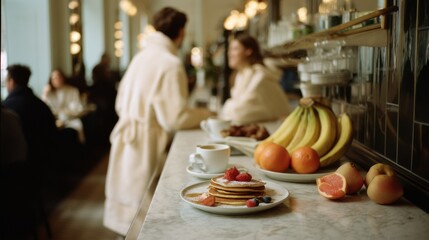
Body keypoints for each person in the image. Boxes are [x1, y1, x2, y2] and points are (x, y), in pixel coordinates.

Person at [103, 7, 213, 236]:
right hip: (146, 144)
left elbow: (120, 102)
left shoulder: (140, 57)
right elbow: (175, 118)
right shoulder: (170, 63)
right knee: (145, 218)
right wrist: (205, 114)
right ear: (181, 32)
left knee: (128, 217)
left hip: (127, 139)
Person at [220, 34, 291, 123]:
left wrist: (228, 106)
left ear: (248, 51)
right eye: (230, 49)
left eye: (235, 49)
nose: (230, 53)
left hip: (276, 129)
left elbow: (241, 114)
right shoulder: (240, 76)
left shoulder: (261, 75)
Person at [2, 64, 59, 170]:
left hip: (21, 166)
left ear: (12, 81)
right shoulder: (41, 105)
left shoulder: (7, 109)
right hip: (46, 161)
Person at [42, 69, 85, 143]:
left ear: (63, 78)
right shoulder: (49, 92)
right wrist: (45, 94)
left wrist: (65, 113)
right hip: (54, 121)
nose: (57, 80)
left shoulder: (73, 90)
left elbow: (77, 108)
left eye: (59, 77)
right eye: (54, 78)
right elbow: (42, 108)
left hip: (70, 120)